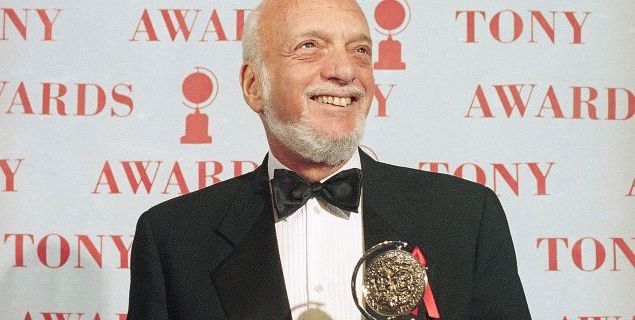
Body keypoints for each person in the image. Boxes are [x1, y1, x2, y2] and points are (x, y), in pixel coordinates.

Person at [127, 0, 532, 319]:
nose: (344, 70)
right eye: (310, 46)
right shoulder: (173, 240)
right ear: (254, 86)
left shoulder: (465, 217)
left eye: (360, 50)